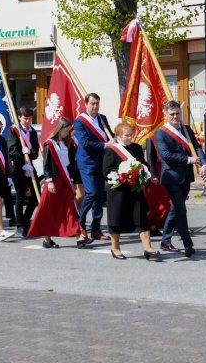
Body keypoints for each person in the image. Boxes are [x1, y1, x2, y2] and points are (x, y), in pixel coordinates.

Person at [154, 101, 206, 258]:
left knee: (175, 209)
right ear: (166, 115)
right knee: (180, 209)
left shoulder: (186, 130)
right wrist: (189, 160)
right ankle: (188, 244)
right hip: (171, 177)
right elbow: (166, 155)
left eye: (177, 113)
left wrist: (204, 165)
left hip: (186, 177)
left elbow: (197, 147)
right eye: (171, 114)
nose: (175, 117)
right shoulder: (161, 133)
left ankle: (165, 241)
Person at [104, 122, 160, 260]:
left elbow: (143, 165)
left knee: (141, 219)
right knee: (117, 220)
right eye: (126, 135)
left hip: (135, 190)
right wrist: (125, 174)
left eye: (130, 135)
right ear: (117, 136)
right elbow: (107, 171)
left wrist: (148, 178)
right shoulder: (111, 150)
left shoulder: (135, 148)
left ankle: (148, 249)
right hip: (119, 192)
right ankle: (115, 248)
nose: (129, 138)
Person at [28, 116, 84, 249]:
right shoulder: (50, 144)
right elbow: (46, 165)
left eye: (69, 130)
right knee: (49, 211)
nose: (68, 132)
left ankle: (79, 237)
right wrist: (49, 181)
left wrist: (70, 178)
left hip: (64, 180)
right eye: (66, 129)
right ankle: (47, 240)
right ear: (59, 128)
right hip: (53, 181)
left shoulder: (66, 144)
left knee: (70, 207)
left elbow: (68, 164)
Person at [73, 93, 114, 241]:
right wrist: (105, 145)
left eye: (97, 103)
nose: (95, 106)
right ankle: (80, 223)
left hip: (102, 162)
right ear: (86, 104)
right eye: (92, 103)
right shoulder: (79, 121)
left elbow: (109, 136)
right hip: (87, 162)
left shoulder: (102, 118)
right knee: (91, 193)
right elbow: (84, 143)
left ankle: (96, 229)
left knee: (99, 196)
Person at [8, 106, 40, 236]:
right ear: (20, 117)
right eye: (25, 118)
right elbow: (12, 150)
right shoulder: (14, 131)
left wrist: (30, 153)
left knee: (37, 195)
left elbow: (36, 151)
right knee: (20, 196)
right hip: (18, 167)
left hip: (30, 166)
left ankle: (26, 220)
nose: (28, 121)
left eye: (30, 118)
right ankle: (20, 225)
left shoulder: (32, 132)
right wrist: (22, 162)